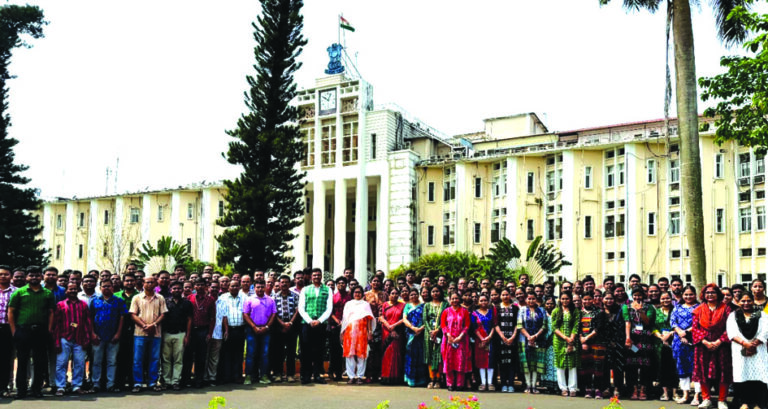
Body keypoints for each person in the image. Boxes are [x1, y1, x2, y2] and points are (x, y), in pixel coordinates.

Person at [8, 266, 54, 399]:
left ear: (41, 277)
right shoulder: (19, 292)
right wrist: (14, 331)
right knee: (22, 361)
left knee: (39, 362)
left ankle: (36, 389)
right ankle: (21, 390)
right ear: (27, 277)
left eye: (37, 275)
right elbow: (11, 311)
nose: (34, 278)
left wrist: (49, 330)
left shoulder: (47, 293)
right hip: (23, 330)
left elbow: (51, 313)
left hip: (41, 331)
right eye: (31, 275)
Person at [692, 284, 732, 409]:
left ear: (718, 294)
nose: (710, 295)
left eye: (713, 292)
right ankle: (706, 399)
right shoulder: (698, 310)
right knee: (703, 372)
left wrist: (719, 341)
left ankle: (722, 400)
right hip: (703, 346)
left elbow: (730, 328)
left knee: (723, 372)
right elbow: (695, 328)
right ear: (703, 295)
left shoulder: (726, 309)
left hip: (722, 346)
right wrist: (705, 342)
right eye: (707, 292)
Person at [727, 291, 768, 409]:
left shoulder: (761, 314)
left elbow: (766, 330)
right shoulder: (733, 315)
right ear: (738, 302)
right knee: (742, 375)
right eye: (743, 301)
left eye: (749, 300)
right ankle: (744, 403)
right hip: (739, 349)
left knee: (759, 375)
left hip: (758, 350)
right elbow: (731, 333)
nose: (746, 303)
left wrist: (756, 343)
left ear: (753, 301)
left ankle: (758, 404)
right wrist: (745, 343)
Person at [52, 282, 93, 396]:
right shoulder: (60, 305)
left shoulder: (83, 305)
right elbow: (56, 324)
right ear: (66, 291)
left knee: (79, 363)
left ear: (78, 290)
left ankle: (77, 386)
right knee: (61, 363)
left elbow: (87, 323)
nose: (73, 291)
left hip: (80, 338)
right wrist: (56, 341)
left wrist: (87, 338)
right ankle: (61, 386)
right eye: (70, 289)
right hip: (64, 337)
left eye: (75, 289)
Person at [130, 276, 167, 393]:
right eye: (147, 282)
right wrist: (144, 325)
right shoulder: (136, 298)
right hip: (140, 333)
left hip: (156, 334)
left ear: (155, 284)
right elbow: (133, 314)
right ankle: (137, 383)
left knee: (154, 359)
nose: (149, 284)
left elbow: (163, 314)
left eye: (152, 282)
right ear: (143, 283)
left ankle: (152, 382)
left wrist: (154, 325)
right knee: (138, 359)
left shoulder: (160, 298)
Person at [90, 280, 127, 393]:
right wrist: (92, 333)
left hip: (113, 336)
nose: (106, 288)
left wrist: (118, 333)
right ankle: (96, 384)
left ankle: (110, 384)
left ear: (112, 287)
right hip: (98, 336)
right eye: (104, 286)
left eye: (109, 286)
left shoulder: (119, 301)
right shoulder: (94, 301)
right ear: (100, 288)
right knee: (97, 361)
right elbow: (90, 318)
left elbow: (122, 318)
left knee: (112, 361)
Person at [297, 269, 332, 384]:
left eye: (318, 275)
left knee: (319, 350)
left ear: (322, 276)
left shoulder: (328, 290)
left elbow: (329, 308)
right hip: (307, 324)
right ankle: (306, 375)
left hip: (321, 325)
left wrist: (320, 320)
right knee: (306, 350)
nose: (316, 277)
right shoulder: (305, 289)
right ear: (311, 277)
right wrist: (309, 320)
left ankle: (317, 374)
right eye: (314, 275)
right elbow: (301, 307)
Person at [622, 286, 655, 400]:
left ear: (643, 295)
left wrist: (640, 311)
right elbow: (627, 322)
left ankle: (643, 389)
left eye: (639, 295)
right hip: (633, 340)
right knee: (632, 364)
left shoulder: (649, 307)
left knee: (645, 365)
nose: (637, 297)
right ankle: (634, 389)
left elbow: (647, 322)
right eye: (635, 295)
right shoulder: (626, 307)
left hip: (645, 340)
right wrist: (627, 338)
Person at [183, 279, 215, 388]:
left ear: (206, 286)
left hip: (203, 330)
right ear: (194, 287)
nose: (200, 287)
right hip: (191, 330)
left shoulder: (210, 300)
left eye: (202, 284)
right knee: (188, 356)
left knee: (201, 357)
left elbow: (212, 318)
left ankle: (198, 380)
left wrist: (210, 333)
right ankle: (186, 379)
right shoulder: (189, 298)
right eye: (197, 285)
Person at [243, 279, 276, 385]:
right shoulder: (249, 299)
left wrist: (267, 327)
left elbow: (273, 314)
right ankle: (249, 376)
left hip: (266, 330)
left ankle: (264, 375)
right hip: (252, 330)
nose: (260, 289)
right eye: (258, 287)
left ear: (265, 287)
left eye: (262, 287)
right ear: (254, 288)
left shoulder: (270, 300)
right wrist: (253, 327)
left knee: (265, 354)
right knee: (251, 354)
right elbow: (245, 314)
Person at [672, 285, 701, 405]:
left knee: (697, 368)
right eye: (686, 294)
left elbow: (700, 322)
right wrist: (680, 333)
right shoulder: (677, 307)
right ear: (682, 295)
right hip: (679, 341)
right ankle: (685, 394)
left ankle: (697, 395)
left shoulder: (699, 308)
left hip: (695, 340)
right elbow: (673, 322)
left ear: (695, 295)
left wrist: (687, 332)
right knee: (682, 368)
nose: (688, 297)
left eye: (691, 294)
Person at [341, 286, 376, 384]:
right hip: (349, 332)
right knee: (349, 355)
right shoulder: (348, 304)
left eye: (359, 292)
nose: (357, 294)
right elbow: (345, 319)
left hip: (362, 332)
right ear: (352, 293)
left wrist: (370, 332)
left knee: (362, 355)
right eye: (355, 292)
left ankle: (360, 376)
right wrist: (342, 333)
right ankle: (351, 376)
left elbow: (369, 319)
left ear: (362, 294)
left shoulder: (365, 304)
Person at [161, 281, 192, 390]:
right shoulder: (165, 302)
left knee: (178, 359)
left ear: (182, 290)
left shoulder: (187, 303)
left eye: (179, 288)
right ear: (171, 290)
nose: (177, 290)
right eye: (174, 288)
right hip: (166, 334)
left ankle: (175, 381)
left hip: (180, 334)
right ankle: (166, 381)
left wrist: (187, 336)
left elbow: (189, 320)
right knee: (166, 359)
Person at [270, 275, 299, 383]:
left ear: (289, 283)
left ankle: (290, 374)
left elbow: (297, 310)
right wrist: (282, 324)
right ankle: (278, 374)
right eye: (282, 282)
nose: (284, 284)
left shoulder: (296, 296)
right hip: (278, 328)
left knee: (291, 352)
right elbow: (274, 313)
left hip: (292, 327)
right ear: (279, 283)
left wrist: (290, 323)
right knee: (278, 352)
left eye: (286, 282)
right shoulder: (274, 297)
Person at [218, 279, 247, 384]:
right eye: (232, 286)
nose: (234, 288)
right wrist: (225, 329)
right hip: (227, 329)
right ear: (228, 287)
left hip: (240, 329)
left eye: (236, 286)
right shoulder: (222, 298)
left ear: (239, 287)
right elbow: (221, 314)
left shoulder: (244, 297)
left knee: (239, 354)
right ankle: (227, 376)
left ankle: (237, 376)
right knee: (226, 353)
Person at [440, 292, 471, 392]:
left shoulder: (464, 311)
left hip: (461, 340)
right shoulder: (446, 311)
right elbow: (443, 325)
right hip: (448, 340)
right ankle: (450, 383)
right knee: (449, 361)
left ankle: (459, 384)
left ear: (459, 299)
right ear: (449, 300)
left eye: (456, 298)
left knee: (460, 361)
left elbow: (467, 325)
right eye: (452, 299)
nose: (454, 300)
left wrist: (460, 336)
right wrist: (448, 335)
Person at [552, 291, 580, 397]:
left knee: (572, 364)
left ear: (570, 299)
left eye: (567, 299)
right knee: (560, 364)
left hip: (573, 340)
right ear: (559, 299)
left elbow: (576, 326)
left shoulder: (575, 311)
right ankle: (563, 388)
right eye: (563, 299)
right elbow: (554, 328)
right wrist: (565, 338)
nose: (565, 301)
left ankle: (572, 388)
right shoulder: (556, 311)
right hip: (559, 341)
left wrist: (571, 339)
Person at [115, 273, 139, 390]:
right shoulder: (116, 296)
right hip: (119, 329)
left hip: (136, 329)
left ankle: (132, 382)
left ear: (135, 282)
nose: (129, 283)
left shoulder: (139, 296)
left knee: (133, 357)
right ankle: (119, 383)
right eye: (127, 281)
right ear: (123, 283)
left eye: (131, 281)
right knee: (119, 357)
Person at [653, 290, 677, 401]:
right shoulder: (656, 311)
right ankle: (665, 393)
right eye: (663, 298)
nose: (665, 300)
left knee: (674, 367)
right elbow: (652, 327)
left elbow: (679, 324)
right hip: (660, 343)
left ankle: (675, 393)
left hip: (675, 342)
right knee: (663, 368)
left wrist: (671, 334)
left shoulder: (676, 310)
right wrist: (661, 336)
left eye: (667, 298)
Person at [380, 288, 406, 384]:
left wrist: (394, 327)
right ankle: (385, 377)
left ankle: (396, 377)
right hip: (386, 331)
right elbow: (381, 317)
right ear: (389, 295)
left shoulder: (403, 305)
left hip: (398, 332)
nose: (394, 295)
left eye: (396, 294)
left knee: (396, 353)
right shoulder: (385, 304)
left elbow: (404, 318)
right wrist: (388, 326)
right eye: (392, 293)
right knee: (386, 354)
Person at [471, 293, 496, 392]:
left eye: (485, 300)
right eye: (481, 300)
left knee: (490, 361)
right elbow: (474, 328)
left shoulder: (492, 312)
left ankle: (490, 383)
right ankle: (483, 382)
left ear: (488, 301)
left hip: (491, 339)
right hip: (479, 340)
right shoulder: (474, 313)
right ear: (478, 302)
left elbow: (494, 325)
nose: (483, 302)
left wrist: (489, 337)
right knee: (481, 361)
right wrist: (482, 338)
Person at [403, 288, 427, 387]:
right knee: (410, 356)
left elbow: (427, 319)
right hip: (410, 334)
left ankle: (421, 380)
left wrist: (420, 329)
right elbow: (404, 319)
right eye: (411, 295)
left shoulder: (424, 306)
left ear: (418, 295)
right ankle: (410, 379)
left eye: (415, 294)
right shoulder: (407, 306)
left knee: (420, 356)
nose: (413, 296)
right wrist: (413, 328)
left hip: (421, 334)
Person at [578, 292, 601, 398]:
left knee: (597, 367)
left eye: (589, 299)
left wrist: (586, 338)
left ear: (593, 300)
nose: (587, 301)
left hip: (596, 342)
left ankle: (597, 388)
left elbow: (598, 328)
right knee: (585, 367)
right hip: (583, 344)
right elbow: (577, 328)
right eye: (585, 299)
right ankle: (587, 388)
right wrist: (582, 340)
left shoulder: (598, 312)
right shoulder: (579, 313)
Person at [424, 286, 447, 389]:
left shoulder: (445, 305)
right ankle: (431, 379)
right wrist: (430, 331)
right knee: (429, 355)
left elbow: (446, 319)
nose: (435, 293)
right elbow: (425, 319)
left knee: (438, 356)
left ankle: (438, 379)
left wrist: (438, 330)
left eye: (437, 291)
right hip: (428, 333)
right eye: (433, 291)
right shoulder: (427, 305)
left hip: (441, 333)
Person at [329, 276, 351, 381]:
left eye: (343, 283)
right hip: (335, 325)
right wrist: (337, 320)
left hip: (347, 326)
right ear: (336, 285)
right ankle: (332, 371)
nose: (341, 285)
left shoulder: (350, 296)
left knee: (344, 350)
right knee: (335, 350)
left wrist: (345, 322)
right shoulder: (333, 297)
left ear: (346, 284)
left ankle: (341, 372)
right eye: (339, 283)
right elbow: (330, 311)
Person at [364, 275, 385, 381]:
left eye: (378, 281)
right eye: (374, 281)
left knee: (379, 350)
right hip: (369, 323)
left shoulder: (384, 295)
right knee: (370, 350)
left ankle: (377, 375)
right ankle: (368, 374)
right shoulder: (366, 295)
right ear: (370, 283)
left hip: (381, 324)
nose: (376, 283)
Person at [0, 266, 15, 397]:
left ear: (10, 276)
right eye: (1, 274)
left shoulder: (17, 292)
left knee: (5, 359)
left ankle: (3, 387)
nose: (3, 276)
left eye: (6, 274)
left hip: (8, 328)